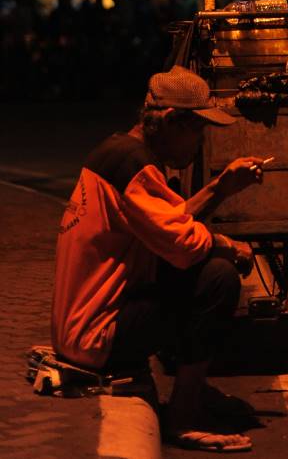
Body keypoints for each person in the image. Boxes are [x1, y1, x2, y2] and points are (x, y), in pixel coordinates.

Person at [51, 64, 267, 453]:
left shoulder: (121, 152)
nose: (200, 143)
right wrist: (228, 246)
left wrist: (220, 188)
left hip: (86, 326)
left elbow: (166, 223)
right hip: (97, 333)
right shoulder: (134, 165)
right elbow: (183, 243)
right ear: (170, 121)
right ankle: (183, 417)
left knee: (199, 266)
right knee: (218, 278)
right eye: (197, 130)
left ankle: (193, 393)